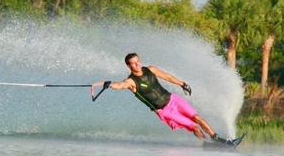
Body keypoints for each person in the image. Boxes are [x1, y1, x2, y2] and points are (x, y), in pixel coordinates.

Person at [91, 53, 230, 144]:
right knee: (194, 127)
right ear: (128, 65)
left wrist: (182, 84)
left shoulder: (150, 69)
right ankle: (206, 144)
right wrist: (107, 84)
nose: (137, 64)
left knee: (197, 118)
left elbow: (167, 76)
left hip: (173, 99)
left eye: (138, 61)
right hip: (164, 111)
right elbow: (120, 85)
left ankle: (216, 139)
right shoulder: (131, 81)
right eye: (133, 63)